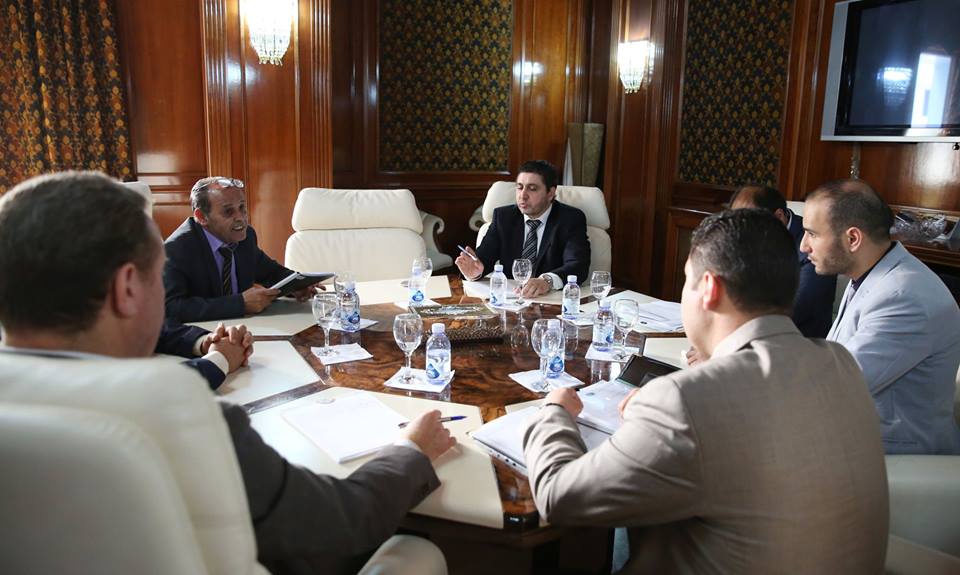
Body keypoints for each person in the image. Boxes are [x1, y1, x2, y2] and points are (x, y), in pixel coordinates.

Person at [0, 172, 455, 574]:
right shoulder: (178, 409)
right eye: (157, 277)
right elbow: (343, 521)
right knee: (417, 549)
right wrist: (411, 450)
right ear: (127, 289)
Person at [522, 209, 888, 573]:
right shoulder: (840, 363)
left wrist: (555, 411)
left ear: (709, 289)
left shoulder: (683, 401)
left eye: (687, 281)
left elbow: (558, 496)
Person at [801, 179, 960, 454]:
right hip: (857, 437)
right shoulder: (872, 273)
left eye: (812, 234)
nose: (804, 246)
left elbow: (833, 384)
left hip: (901, 460)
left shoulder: (903, 296)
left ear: (853, 239)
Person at [163, 176, 317, 322]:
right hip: (204, 334)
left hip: (246, 328)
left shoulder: (246, 236)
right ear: (202, 217)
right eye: (228, 211)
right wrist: (239, 304)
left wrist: (297, 285)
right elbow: (171, 307)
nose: (241, 218)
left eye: (242, 208)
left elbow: (270, 273)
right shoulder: (175, 249)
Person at [456, 160, 590, 297]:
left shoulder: (570, 219)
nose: (523, 195)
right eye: (519, 187)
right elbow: (483, 259)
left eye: (532, 189)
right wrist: (475, 272)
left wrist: (547, 281)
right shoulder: (503, 217)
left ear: (550, 193)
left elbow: (578, 265)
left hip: (551, 299)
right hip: (511, 299)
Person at [730, 184, 837, 337]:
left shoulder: (812, 247)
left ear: (779, 217)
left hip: (801, 342)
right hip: (754, 334)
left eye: (750, 223)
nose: (741, 232)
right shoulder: (746, 237)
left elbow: (794, 310)